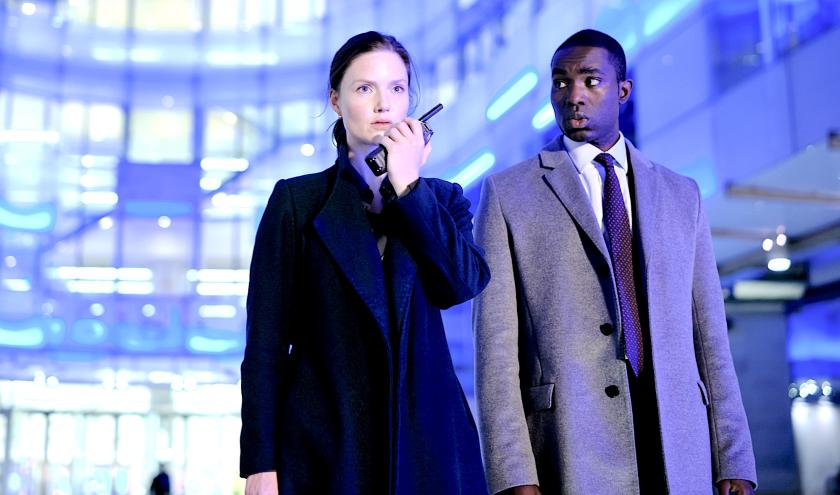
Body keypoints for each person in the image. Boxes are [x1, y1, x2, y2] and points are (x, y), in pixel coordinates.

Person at [473, 29, 757, 495]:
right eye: (561, 82)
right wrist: (512, 475)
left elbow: (710, 336)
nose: (574, 95)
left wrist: (734, 456)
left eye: (591, 80)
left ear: (623, 91)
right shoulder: (509, 194)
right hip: (570, 440)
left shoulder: (681, 194)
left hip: (677, 438)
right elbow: (496, 351)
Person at [240, 31, 490, 494]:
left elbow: (461, 284)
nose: (383, 104)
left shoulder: (440, 198)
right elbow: (265, 345)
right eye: (364, 88)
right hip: (326, 443)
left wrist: (409, 188)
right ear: (336, 101)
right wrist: (260, 464)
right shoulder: (297, 202)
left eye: (397, 88)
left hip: (427, 442)